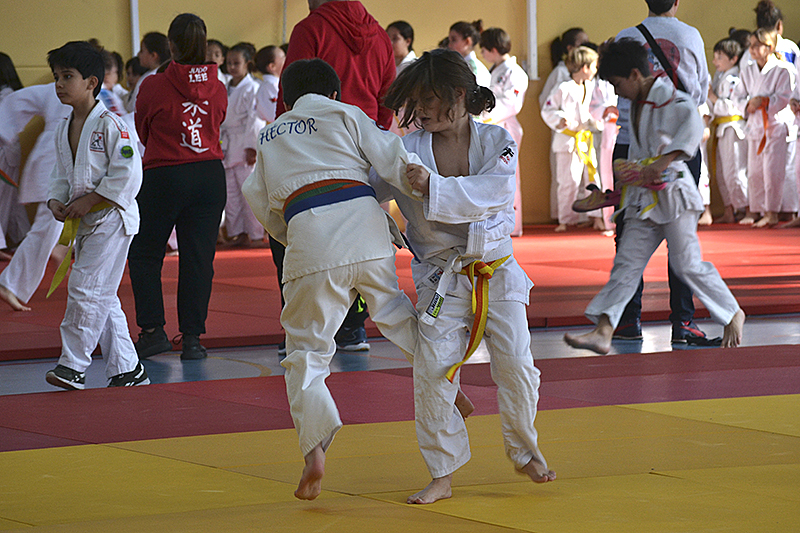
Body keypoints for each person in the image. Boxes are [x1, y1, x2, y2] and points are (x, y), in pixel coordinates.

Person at [242, 58, 424, 500]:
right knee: (396, 311)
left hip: (308, 233)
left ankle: (314, 451)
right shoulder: (346, 113)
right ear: (335, 94)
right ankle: (446, 381)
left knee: (306, 351)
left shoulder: (269, 134)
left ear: (285, 100)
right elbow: (391, 156)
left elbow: (258, 199)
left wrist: (294, 232)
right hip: (365, 226)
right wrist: (423, 187)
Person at [380, 48, 556, 505]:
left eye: (428, 99)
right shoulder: (406, 150)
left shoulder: (498, 141)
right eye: (415, 101)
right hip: (441, 276)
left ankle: (525, 449)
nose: (419, 110)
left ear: (458, 94)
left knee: (517, 365)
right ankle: (442, 474)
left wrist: (432, 187)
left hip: (496, 268)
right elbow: (369, 187)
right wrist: (377, 217)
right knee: (433, 372)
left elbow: (495, 192)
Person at [563, 39, 745, 355]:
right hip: (642, 199)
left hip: (674, 197)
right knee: (626, 264)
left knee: (686, 264)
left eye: (618, 84)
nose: (617, 92)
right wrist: (621, 184)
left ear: (635, 75)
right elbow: (641, 155)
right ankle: (604, 330)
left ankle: (732, 313)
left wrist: (660, 163)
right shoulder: (638, 102)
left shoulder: (670, 99)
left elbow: (691, 128)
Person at [275, 0, 399, 352]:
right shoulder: (378, 33)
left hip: (312, 147)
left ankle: (304, 328)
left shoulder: (311, 28)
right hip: (361, 144)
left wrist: (282, 135)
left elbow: (291, 91)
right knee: (360, 235)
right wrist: (372, 133)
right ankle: (352, 328)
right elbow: (389, 94)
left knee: (296, 230)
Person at [43, 41, 148, 390]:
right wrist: (55, 200)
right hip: (86, 221)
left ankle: (72, 366)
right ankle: (127, 369)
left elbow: (129, 174)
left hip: (112, 218)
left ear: (91, 82)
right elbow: (61, 174)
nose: (59, 84)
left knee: (85, 287)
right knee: (101, 293)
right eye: (56, 77)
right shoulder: (64, 127)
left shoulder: (113, 125)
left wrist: (91, 200)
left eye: (67, 76)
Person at [612, 0, 716, 346]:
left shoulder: (626, 36)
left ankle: (627, 319)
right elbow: (699, 90)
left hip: (630, 142)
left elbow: (617, 90)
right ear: (676, 1)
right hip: (677, 145)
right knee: (681, 232)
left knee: (628, 228)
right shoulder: (691, 35)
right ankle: (683, 321)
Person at [129, 13, 227, 360]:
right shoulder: (218, 86)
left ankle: (152, 331)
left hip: (165, 173)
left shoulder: (153, 85)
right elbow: (218, 121)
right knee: (198, 258)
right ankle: (192, 339)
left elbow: (142, 129)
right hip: (209, 175)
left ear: (170, 45)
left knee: (145, 253)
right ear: (205, 45)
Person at [0, 78, 71, 311]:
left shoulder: (55, 89)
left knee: (51, 224)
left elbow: (16, 102)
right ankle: (9, 283)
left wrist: (4, 131)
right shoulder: (68, 90)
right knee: (46, 227)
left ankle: (59, 247)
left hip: (58, 161)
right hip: (53, 163)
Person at [733, 28, 796, 228]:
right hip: (754, 125)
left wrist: (764, 101)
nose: (751, 49)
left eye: (756, 45)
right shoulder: (747, 70)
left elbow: (785, 97)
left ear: (769, 47)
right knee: (754, 172)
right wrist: (748, 104)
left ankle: (772, 212)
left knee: (772, 173)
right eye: (750, 45)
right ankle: (756, 211)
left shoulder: (783, 69)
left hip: (774, 126)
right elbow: (736, 96)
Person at [541, 46, 605, 233]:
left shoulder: (592, 87)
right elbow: (547, 109)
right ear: (585, 67)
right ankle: (566, 219)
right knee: (567, 182)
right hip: (568, 141)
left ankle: (596, 217)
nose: (595, 70)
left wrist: (597, 121)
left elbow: (596, 111)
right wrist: (560, 119)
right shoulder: (563, 87)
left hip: (586, 140)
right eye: (594, 66)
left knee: (593, 179)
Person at [480, 27, 529, 237]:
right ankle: (495, 222)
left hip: (506, 127)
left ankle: (512, 224)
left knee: (508, 175)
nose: (482, 53)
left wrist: (483, 114)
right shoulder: (493, 70)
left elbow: (511, 104)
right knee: (492, 176)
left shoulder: (515, 73)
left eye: (483, 49)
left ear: (493, 49)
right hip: (491, 126)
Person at [539, 28, 590, 220]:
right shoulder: (561, 73)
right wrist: (560, 120)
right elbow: (546, 102)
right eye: (581, 43)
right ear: (569, 48)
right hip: (564, 132)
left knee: (582, 178)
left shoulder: (587, 81)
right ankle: (563, 216)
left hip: (582, 135)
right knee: (564, 178)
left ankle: (581, 217)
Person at [221, 42, 266, 247]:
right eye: (229, 63)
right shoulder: (224, 86)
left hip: (245, 141)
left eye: (236, 63)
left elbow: (255, 119)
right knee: (230, 193)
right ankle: (237, 233)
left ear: (247, 64)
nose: (231, 67)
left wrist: (252, 146)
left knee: (249, 191)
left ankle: (255, 234)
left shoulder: (253, 88)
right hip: (226, 142)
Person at [707, 37, 749, 224]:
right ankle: (729, 210)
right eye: (715, 57)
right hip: (722, 128)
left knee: (735, 171)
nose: (715, 61)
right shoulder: (722, 77)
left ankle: (748, 209)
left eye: (720, 57)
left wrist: (713, 97)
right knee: (723, 173)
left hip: (733, 128)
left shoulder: (734, 79)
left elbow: (733, 107)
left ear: (733, 59)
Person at [0, 52, 29, 262]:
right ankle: (24, 239)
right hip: (8, 150)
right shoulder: (11, 95)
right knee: (11, 200)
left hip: (4, 151)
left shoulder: (7, 96)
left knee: (4, 199)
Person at [129, 31, 170, 114]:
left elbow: (134, 108)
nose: (138, 54)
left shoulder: (151, 79)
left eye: (142, 51)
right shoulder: (166, 73)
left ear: (153, 56)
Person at [447, 21, 490, 87]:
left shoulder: (474, 69)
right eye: (449, 40)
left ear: (467, 41)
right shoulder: (458, 65)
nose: (449, 45)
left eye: (454, 40)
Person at [255, 45, 286, 123]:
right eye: (284, 58)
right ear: (272, 66)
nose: (287, 60)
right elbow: (273, 114)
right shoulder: (269, 87)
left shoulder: (275, 84)